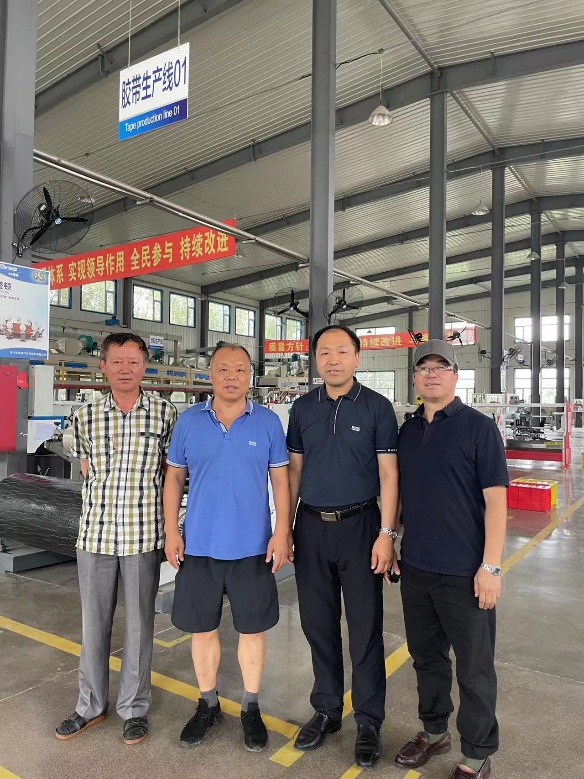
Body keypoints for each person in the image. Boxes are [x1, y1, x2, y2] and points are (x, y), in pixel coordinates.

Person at [163, 343, 290, 752]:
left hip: (253, 547)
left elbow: (281, 481)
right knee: (203, 629)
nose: (231, 376)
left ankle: (250, 707)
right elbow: (173, 478)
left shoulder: (268, 423)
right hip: (199, 545)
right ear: (211, 374)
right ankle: (208, 703)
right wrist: (171, 531)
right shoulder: (188, 422)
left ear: (250, 376)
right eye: (223, 369)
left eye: (239, 369)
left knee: (252, 630)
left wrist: (282, 532)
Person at [394, 339, 508, 779]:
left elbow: (496, 503)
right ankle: (434, 731)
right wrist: (393, 540)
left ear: (456, 376)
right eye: (423, 368)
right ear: (415, 378)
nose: (431, 374)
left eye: (441, 367)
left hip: (465, 573)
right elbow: (404, 495)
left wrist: (491, 566)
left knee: (474, 668)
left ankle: (477, 753)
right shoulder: (407, 431)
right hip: (417, 568)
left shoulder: (479, 428)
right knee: (427, 659)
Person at [287, 324, 399, 769]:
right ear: (315, 360)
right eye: (324, 352)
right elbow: (294, 472)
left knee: (365, 628)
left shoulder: (377, 407)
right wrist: (286, 528)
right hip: (311, 527)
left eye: (341, 351)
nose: (332, 359)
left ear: (356, 357)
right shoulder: (302, 408)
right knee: (317, 624)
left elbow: (389, 475)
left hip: (361, 527)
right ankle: (327, 710)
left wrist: (387, 534)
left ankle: (368, 721)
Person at [56, 333, 177, 745]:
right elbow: (80, 461)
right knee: (94, 625)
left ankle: (134, 708)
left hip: (143, 535)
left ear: (145, 366)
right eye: (117, 361)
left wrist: (173, 528)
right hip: (96, 535)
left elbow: (172, 474)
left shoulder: (165, 413)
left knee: (140, 626)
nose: (126, 369)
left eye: (133, 361)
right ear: (103, 366)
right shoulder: (85, 415)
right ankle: (90, 706)